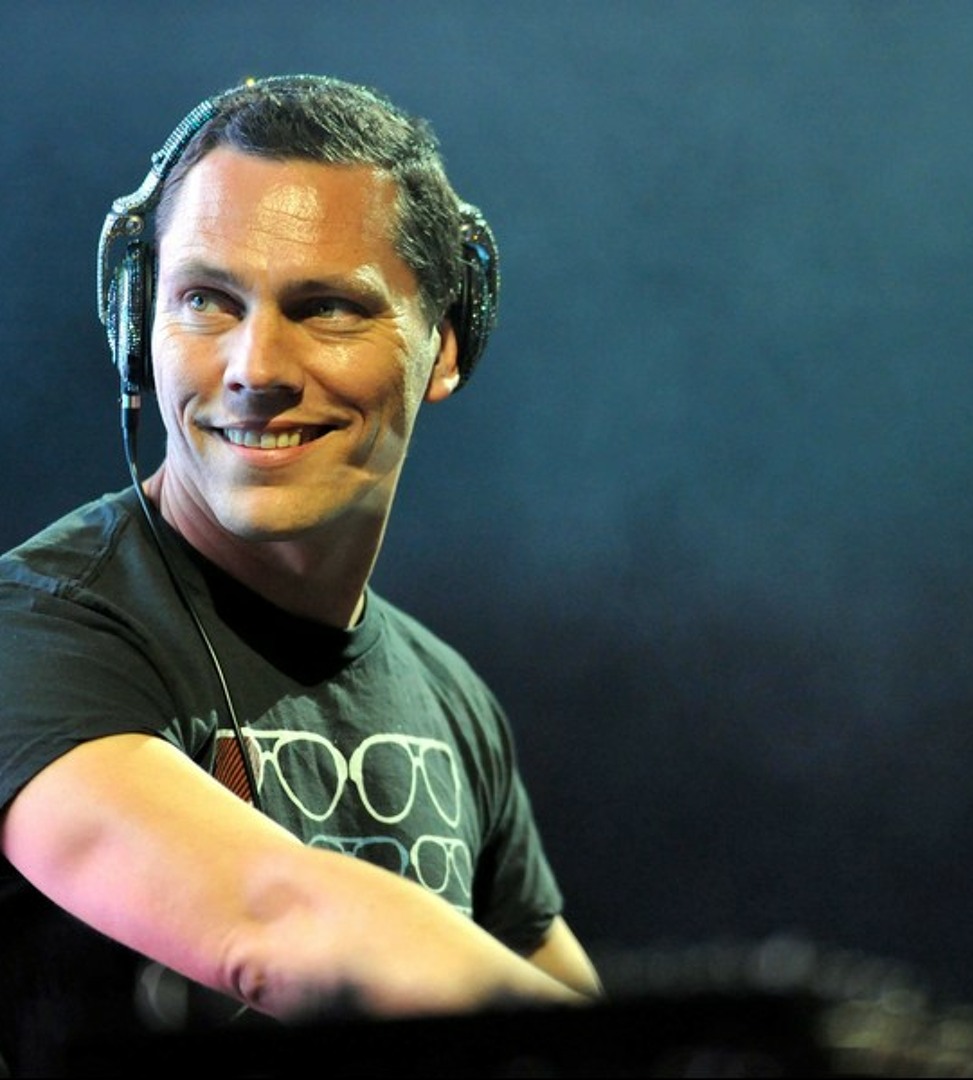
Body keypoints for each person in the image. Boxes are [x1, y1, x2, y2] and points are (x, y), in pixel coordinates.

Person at [0, 74, 601, 1075]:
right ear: (137, 325)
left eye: (326, 309)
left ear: (446, 347)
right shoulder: (35, 634)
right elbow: (274, 922)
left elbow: (599, 1032)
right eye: (206, 300)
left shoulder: (451, 701)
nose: (255, 368)